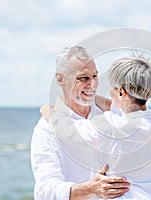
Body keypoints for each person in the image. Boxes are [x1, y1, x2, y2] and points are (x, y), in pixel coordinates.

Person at [42, 55, 151, 199]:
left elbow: (68, 131)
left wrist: (47, 111)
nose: (109, 93)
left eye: (112, 89)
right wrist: (89, 96)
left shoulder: (111, 126)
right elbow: (126, 110)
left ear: (121, 93)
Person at [30, 45, 130, 200]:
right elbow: (46, 191)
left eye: (95, 76)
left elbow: (138, 114)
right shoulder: (45, 129)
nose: (93, 85)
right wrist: (89, 189)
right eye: (83, 78)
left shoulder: (111, 114)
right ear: (60, 79)